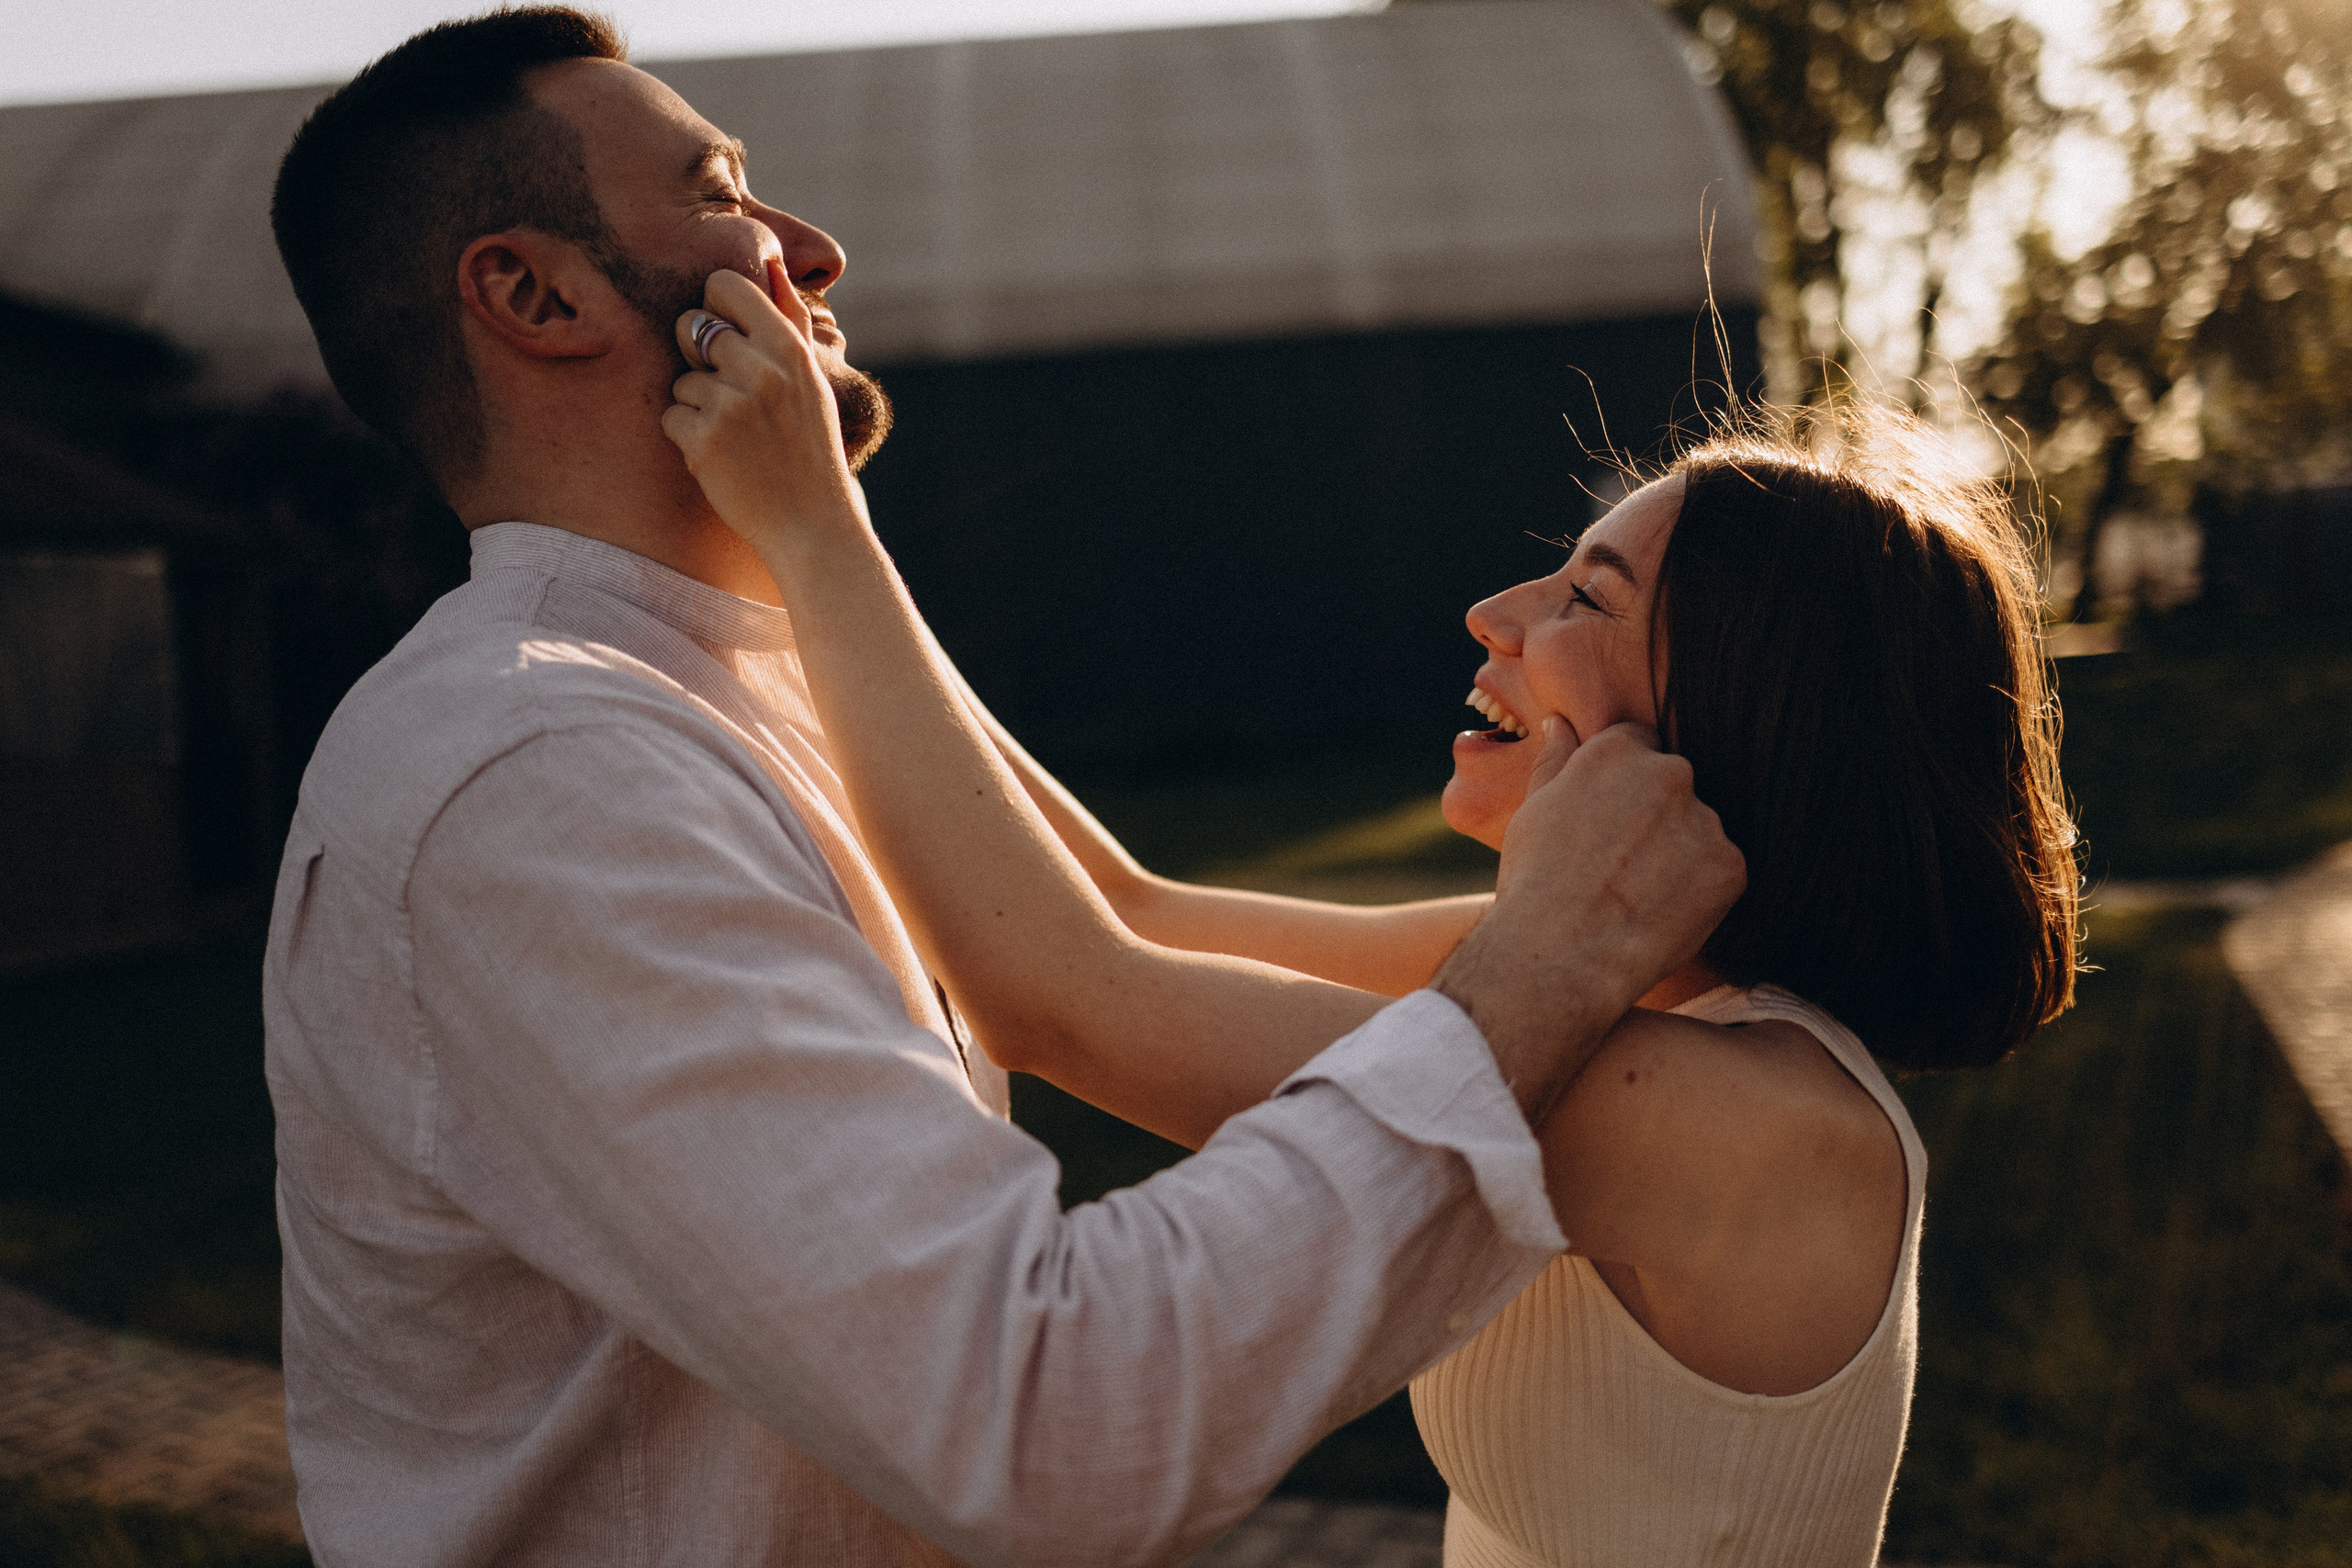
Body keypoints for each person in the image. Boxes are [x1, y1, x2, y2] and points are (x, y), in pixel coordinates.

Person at [259, 9, 1744, 1566]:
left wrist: (1658, 930)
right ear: (534, 292)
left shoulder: (740, 691)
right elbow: (1040, 1414)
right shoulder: (538, 774)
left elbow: (1113, 912)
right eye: (721, 195)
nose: (812, 249)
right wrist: (1539, 979)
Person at [661, 267, 2080, 1563]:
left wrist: (810, 527)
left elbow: (1064, 997)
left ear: (1741, 726)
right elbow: (1121, 904)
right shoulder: (1594, 984)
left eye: (1585, 595)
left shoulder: (1746, 1121)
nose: (1492, 612)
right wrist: (793, 577)